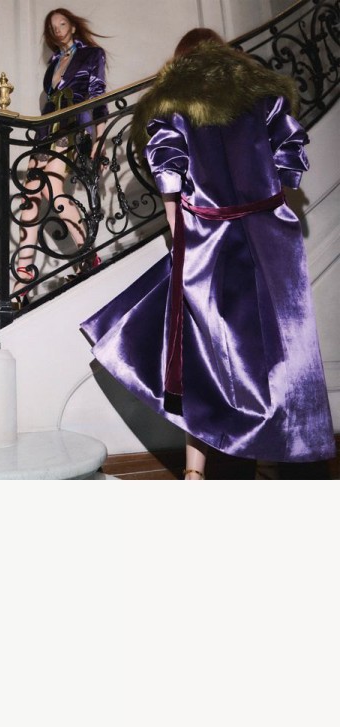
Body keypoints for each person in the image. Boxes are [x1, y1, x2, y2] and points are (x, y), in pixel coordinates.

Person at [80, 28, 335, 479]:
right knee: (282, 352)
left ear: (182, 58)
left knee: (203, 356)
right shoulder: (264, 95)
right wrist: (272, 196)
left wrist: (179, 229)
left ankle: (199, 472)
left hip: (208, 237)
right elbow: (290, 156)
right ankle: (287, 459)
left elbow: (169, 173)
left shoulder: (172, 102)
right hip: (269, 233)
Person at [13, 8, 108, 306]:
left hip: (72, 126)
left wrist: (100, 137)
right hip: (46, 131)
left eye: (62, 23)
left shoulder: (92, 54)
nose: (58, 29)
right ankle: (24, 273)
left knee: (53, 188)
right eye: (52, 26)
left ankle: (87, 254)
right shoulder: (52, 65)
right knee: (31, 194)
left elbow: (97, 95)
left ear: (73, 26)